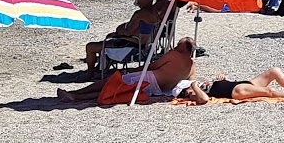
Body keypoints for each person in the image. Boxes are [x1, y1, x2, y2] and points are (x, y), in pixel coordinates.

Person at [57, 38, 196, 104]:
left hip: (149, 79)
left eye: (179, 44)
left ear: (185, 48)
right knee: (116, 91)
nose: (176, 46)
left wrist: (134, 70)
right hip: (159, 89)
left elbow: (152, 66)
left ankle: (76, 94)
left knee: (111, 82)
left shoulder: (174, 55)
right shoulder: (192, 65)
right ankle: (76, 96)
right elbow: (188, 83)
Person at [83, 0, 164, 72]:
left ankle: (90, 73)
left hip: (132, 44)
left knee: (90, 47)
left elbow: (128, 32)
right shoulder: (155, 12)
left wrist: (118, 32)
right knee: (106, 41)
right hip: (143, 45)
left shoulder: (141, 13)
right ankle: (100, 68)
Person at [175, 68, 284, 104]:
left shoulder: (198, 87)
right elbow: (204, 99)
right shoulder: (192, 92)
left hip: (241, 83)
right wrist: (193, 86)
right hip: (236, 90)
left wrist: (222, 79)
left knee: (274, 71)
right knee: (268, 91)